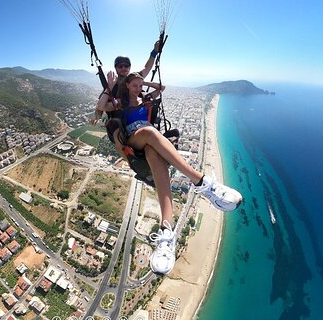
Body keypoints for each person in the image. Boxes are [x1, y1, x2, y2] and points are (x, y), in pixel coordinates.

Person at [103, 72, 243, 275]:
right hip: (134, 138)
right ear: (126, 87)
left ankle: (167, 230)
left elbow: (161, 88)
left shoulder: (145, 98)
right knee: (151, 133)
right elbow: (102, 108)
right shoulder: (119, 102)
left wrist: (142, 83)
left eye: (140, 85)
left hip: (151, 143)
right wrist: (112, 86)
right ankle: (202, 182)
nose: (139, 88)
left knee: (152, 148)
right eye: (135, 85)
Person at [89, 40, 160, 125]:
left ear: (129, 67)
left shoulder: (134, 78)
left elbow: (147, 68)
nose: (123, 68)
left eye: (126, 66)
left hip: (136, 114)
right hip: (120, 119)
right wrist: (97, 116)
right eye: (120, 66)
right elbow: (101, 103)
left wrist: (154, 52)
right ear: (116, 68)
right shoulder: (113, 84)